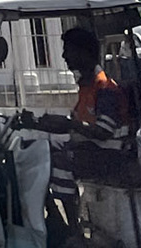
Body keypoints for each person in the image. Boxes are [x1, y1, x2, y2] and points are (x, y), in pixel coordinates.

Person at [17, 26, 132, 241]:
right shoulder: (86, 87)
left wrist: (70, 125)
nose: (63, 56)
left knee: (58, 160)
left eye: (68, 50)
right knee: (33, 151)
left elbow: (103, 132)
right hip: (91, 152)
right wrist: (36, 123)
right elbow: (77, 127)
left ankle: (73, 229)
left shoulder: (105, 88)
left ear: (84, 53)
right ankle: (56, 220)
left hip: (109, 157)